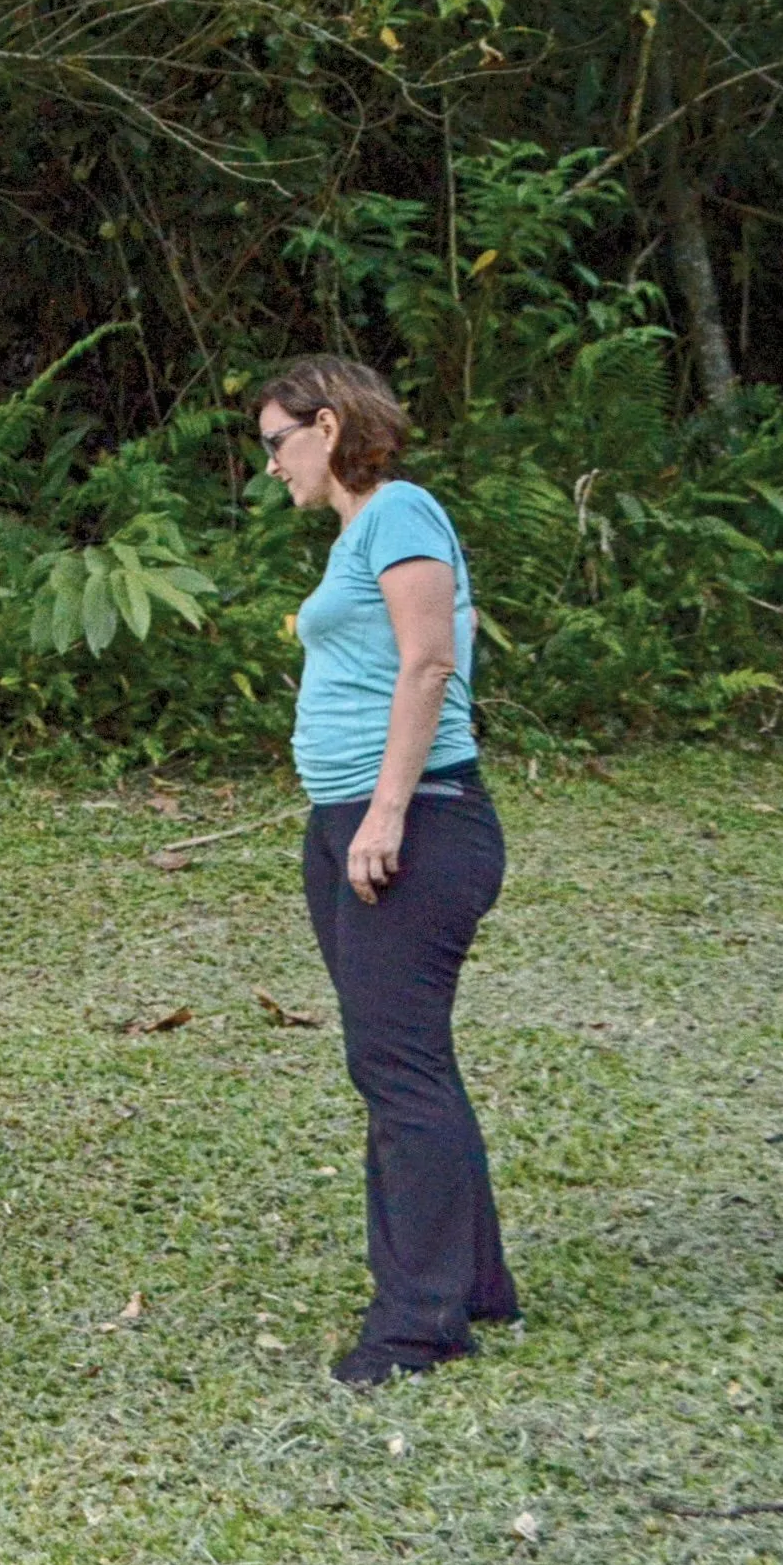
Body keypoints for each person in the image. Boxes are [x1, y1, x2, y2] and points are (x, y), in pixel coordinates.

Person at [255, 353, 517, 1388]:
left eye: (277, 442)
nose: (271, 466)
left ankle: (418, 1324)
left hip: (415, 822)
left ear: (327, 426)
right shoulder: (360, 532)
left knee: (396, 1067)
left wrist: (390, 813)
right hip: (353, 819)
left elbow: (429, 662)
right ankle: (476, 1283)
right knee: (406, 1060)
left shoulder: (400, 509)